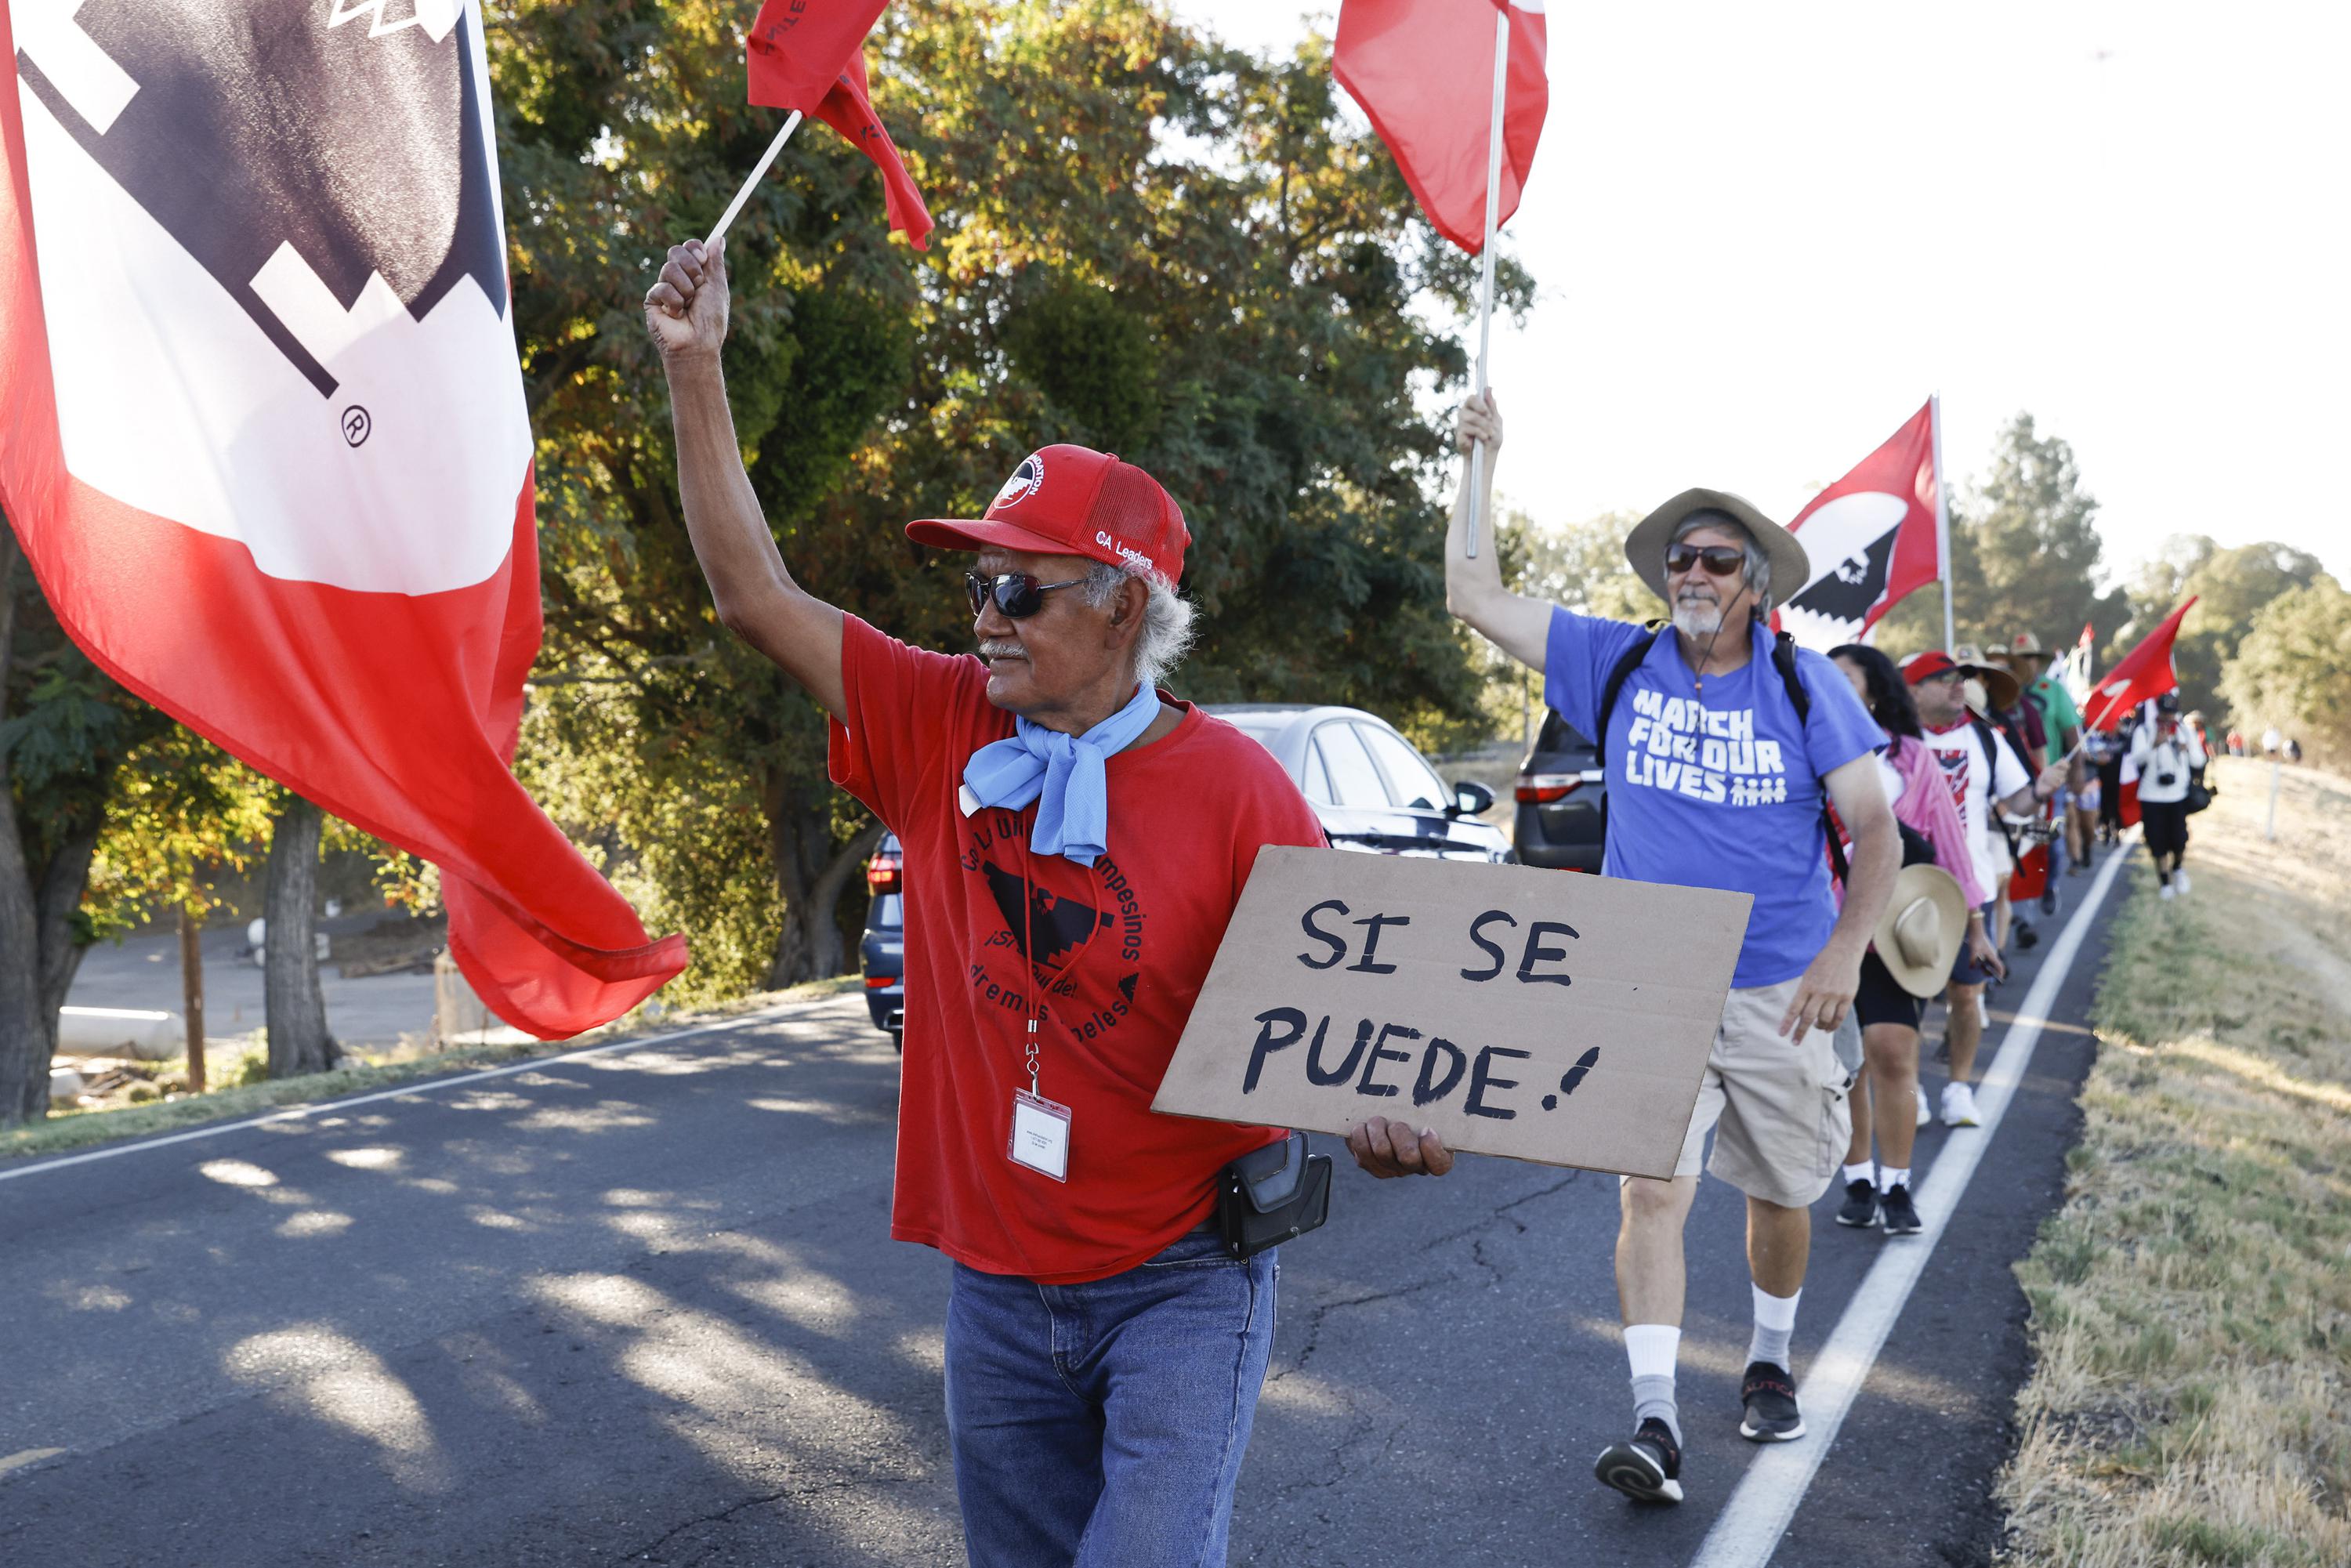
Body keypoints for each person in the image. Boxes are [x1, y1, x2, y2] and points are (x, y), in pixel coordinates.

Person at [644, 238, 1439, 1567]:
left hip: (1184, 1282)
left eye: (1021, 588)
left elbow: (1356, 1020)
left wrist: (1384, 1103)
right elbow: (752, 594)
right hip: (996, 1294)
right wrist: (694, 370)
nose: (985, 620)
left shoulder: (1242, 793)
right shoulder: (938, 721)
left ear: (1128, 605)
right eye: (976, 587)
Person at [1437, 391, 1899, 1504]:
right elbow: (1473, 594)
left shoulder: (1803, 685)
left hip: (1783, 985)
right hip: (1648, 977)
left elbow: (1877, 832)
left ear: (1755, 582)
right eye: (1681, 557)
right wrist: (1480, 463)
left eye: (1717, 559)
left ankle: (1771, 1357)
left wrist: (1845, 953)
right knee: (1653, 1191)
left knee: (1781, 1192)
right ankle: (1655, 1421)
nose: (1693, 572)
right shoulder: (1617, 661)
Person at [1828, 646, 1992, 1237]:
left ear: (1875, 692)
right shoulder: (1804, 755)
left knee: (1893, 1052)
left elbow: (1949, 841)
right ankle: (1858, 1179)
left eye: (1847, 680)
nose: (1835, 688)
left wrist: (1975, 926)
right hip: (1826, 932)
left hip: (1898, 933)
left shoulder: (1913, 758)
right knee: (1845, 1068)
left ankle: (1897, 1186)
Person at [1906, 651, 2070, 1127]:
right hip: (1907, 888)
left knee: (1967, 994)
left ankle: (1958, 1089)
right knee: (1910, 998)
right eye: (1943, 679)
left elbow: (2013, 803)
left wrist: (2039, 790)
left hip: (1968, 888)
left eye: (1960, 678)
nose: (1958, 686)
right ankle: (1910, 1087)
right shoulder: (1892, 739)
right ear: (1913, 689)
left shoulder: (1986, 737)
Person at [2009, 633, 2085, 903]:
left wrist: (2078, 769)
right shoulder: (2004, 691)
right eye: (2018, 659)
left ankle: (2049, 885)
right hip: (2013, 782)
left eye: (2029, 657)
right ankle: (2018, 903)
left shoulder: (2053, 690)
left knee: (2051, 839)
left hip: (2050, 778)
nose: (2024, 663)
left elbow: (2071, 730)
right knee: (2015, 840)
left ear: (2037, 661)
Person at [2133, 693, 2208, 899]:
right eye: (2165, 712)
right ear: (2158, 711)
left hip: (2178, 796)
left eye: (2171, 713)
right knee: (2157, 841)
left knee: (2179, 839)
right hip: (2151, 796)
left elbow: (2199, 761)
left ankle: (2178, 868)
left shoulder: (2185, 731)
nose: (2168, 717)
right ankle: (2164, 882)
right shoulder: (2145, 730)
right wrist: (2154, 745)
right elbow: (2136, 759)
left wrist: (2187, 748)